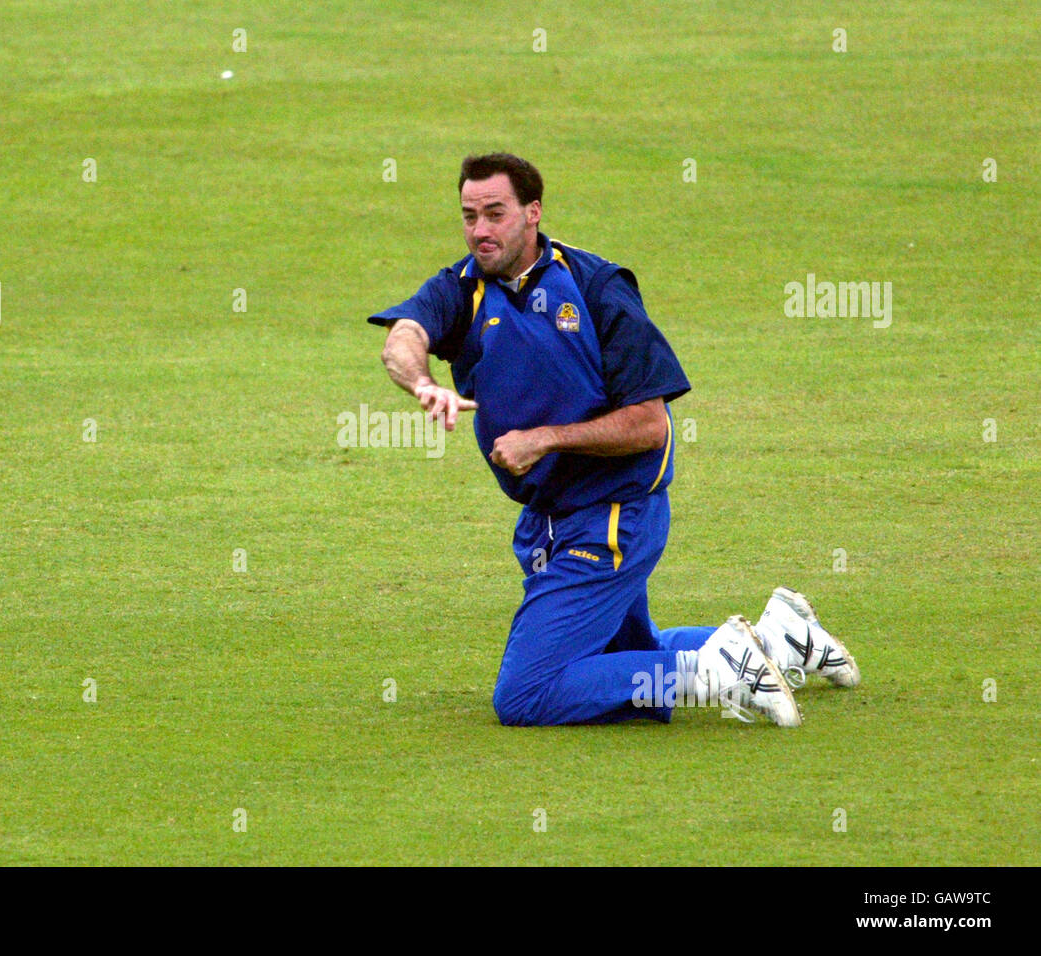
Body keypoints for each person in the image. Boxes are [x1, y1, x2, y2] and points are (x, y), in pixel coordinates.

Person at [367, 153, 860, 728]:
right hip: (550, 520)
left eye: (495, 214)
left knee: (527, 695)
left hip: (614, 517)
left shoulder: (597, 288)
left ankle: (715, 674)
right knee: (611, 658)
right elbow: (403, 338)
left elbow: (650, 425)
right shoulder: (462, 289)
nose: (480, 230)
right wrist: (423, 382)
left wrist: (544, 440)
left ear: (533, 212)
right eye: (469, 216)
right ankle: (782, 637)